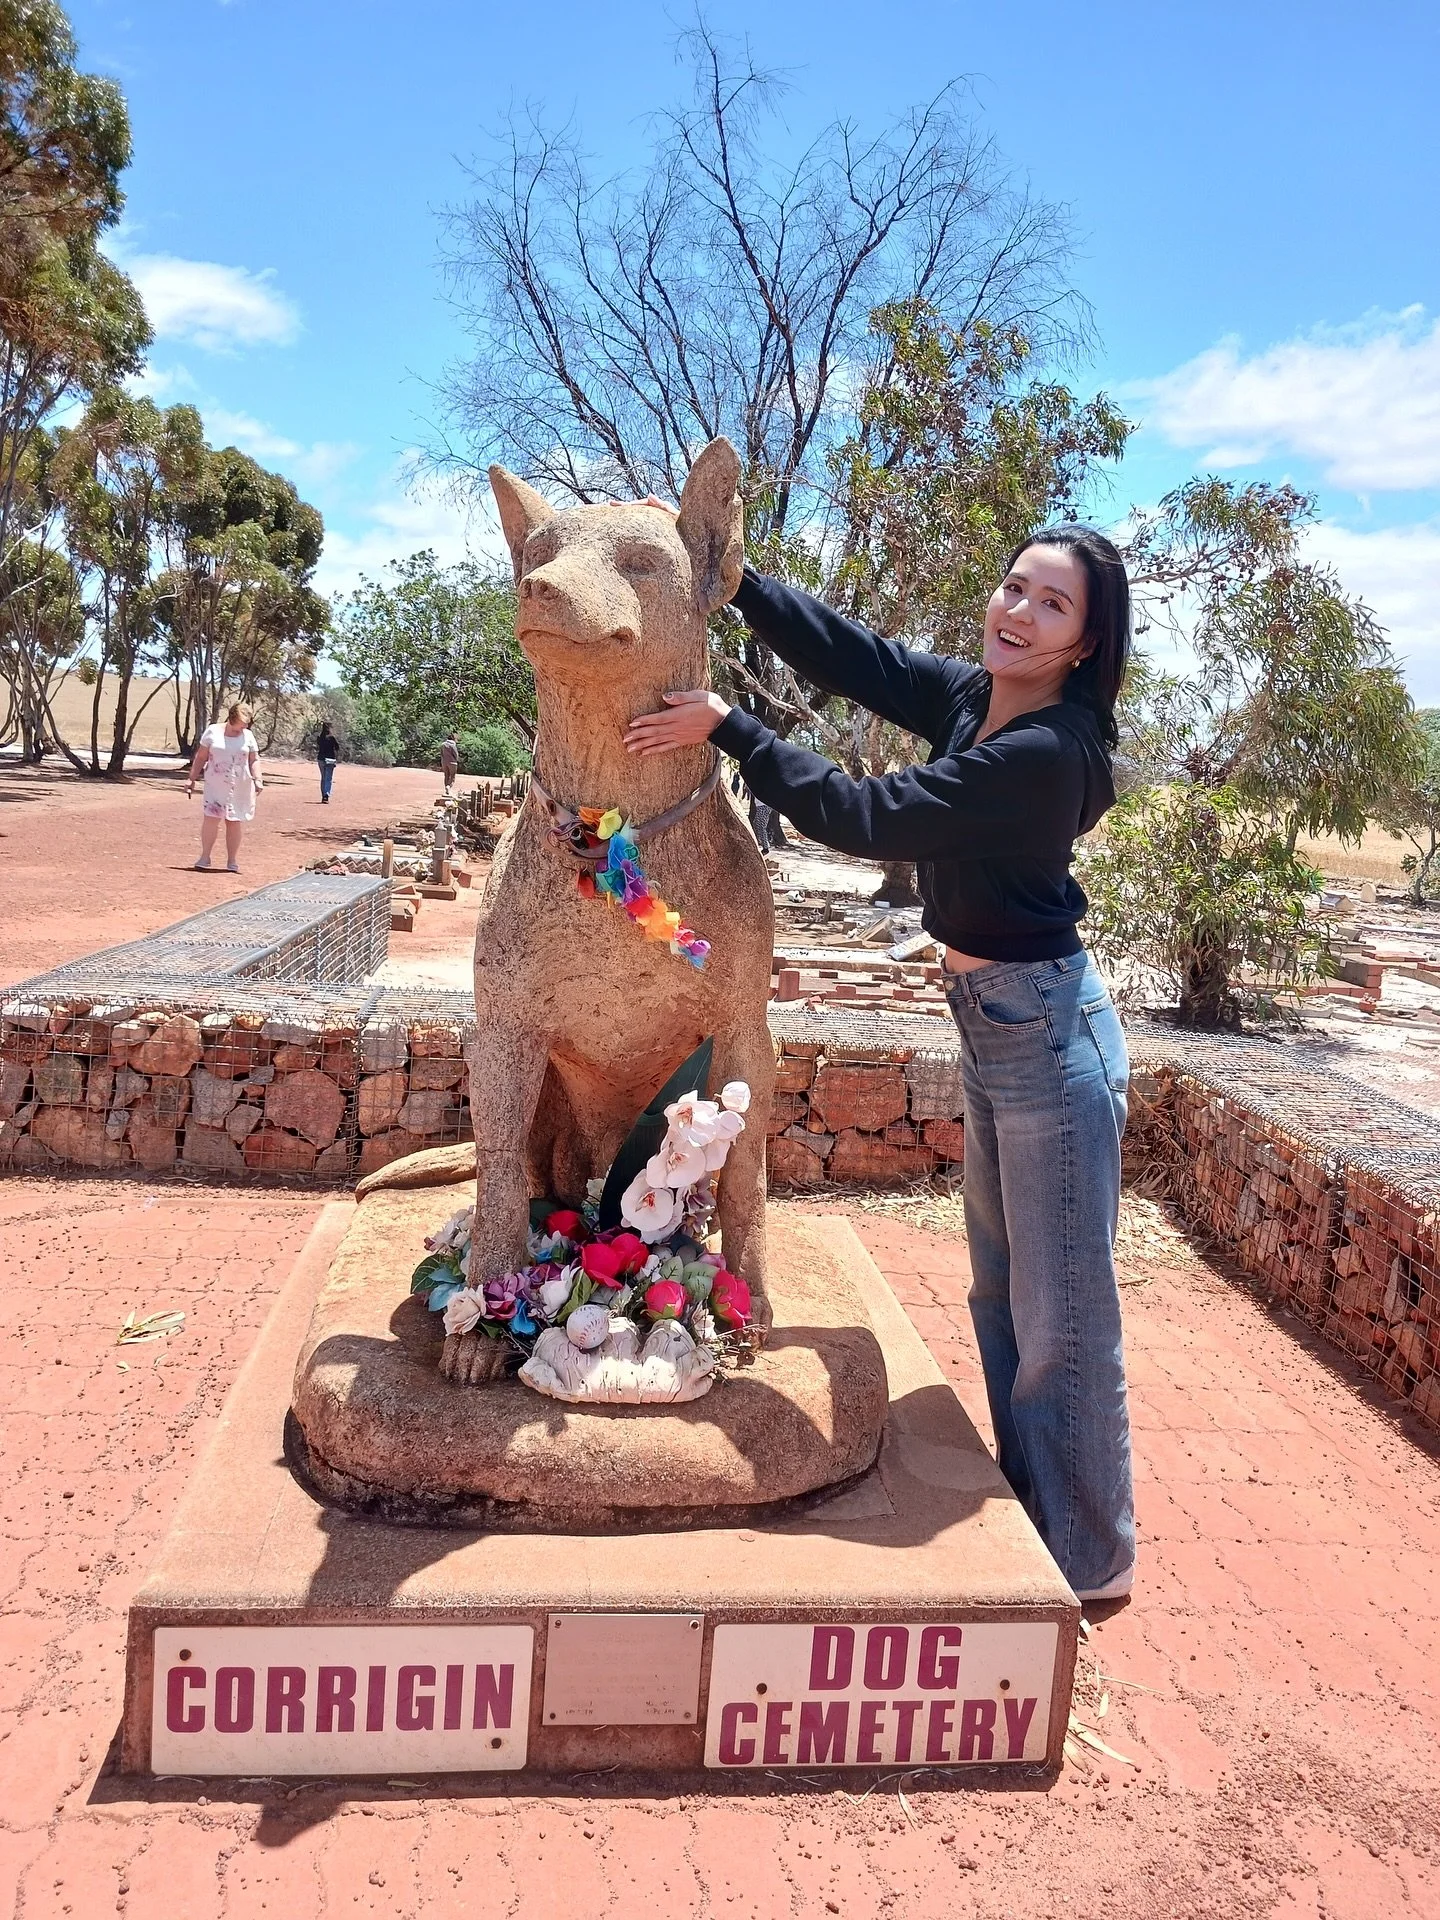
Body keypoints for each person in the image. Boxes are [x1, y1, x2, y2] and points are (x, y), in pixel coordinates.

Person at [625, 525, 1135, 1605]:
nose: (1016, 611)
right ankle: (1038, 1511)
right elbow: (865, 659)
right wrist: (743, 587)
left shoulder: (1050, 755)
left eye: (1051, 605)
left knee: (1063, 1317)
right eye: (1013, 587)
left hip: (1047, 1032)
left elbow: (869, 816)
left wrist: (733, 730)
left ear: (1086, 643)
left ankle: (1087, 1561)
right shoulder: (975, 701)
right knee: (1004, 1293)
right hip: (1001, 1022)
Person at [188, 702, 262, 873]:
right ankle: (205, 857)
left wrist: (258, 779)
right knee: (211, 819)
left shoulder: (248, 736)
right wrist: (191, 779)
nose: (241, 730)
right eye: (238, 727)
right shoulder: (213, 731)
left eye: (244, 727)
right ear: (231, 719)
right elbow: (201, 757)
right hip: (216, 783)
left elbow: (254, 760)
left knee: (234, 821)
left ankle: (232, 860)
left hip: (239, 784)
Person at [317, 721, 340, 804]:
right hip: (330, 759)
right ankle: (326, 795)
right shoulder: (332, 737)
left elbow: (318, 745)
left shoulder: (320, 737)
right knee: (328, 778)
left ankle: (323, 795)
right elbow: (337, 747)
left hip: (321, 759)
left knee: (323, 777)